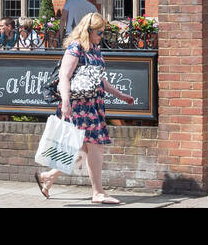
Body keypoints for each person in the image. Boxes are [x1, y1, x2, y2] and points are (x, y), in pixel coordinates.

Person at [36, 13, 136, 204]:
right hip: (79, 105)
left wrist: (120, 95)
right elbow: (64, 76)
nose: (101, 36)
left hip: (94, 104)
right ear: (88, 30)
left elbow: (99, 79)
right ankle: (97, 192)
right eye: (99, 32)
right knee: (95, 146)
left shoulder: (95, 48)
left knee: (81, 148)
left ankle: (49, 176)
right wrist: (65, 102)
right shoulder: (75, 48)